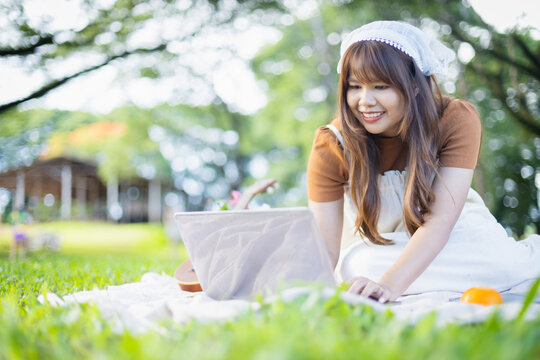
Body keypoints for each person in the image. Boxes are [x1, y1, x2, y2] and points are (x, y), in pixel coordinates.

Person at [307, 20, 540, 303]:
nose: (364, 101)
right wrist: (308, 297)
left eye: (380, 86)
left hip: (456, 236)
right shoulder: (333, 144)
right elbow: (323, 249)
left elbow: (441, 220)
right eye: (354, 87)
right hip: (380, 247)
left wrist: (389, 286)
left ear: (415, 84)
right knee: (356, 266)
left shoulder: (455, 118)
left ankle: (502, 267)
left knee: (501, 261)